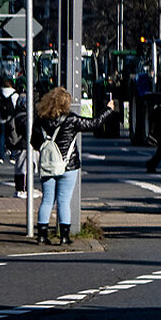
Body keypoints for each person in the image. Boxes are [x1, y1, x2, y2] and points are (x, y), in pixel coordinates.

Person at [31, 87, 114, 245]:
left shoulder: (41, 119)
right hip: (68, 165)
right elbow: (94, 123)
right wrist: (108, 110)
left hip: (48, 165)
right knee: (63, 201)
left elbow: (34, 142)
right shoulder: (71, 119)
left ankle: (41, 235)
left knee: (47, 200)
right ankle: (64, 237)